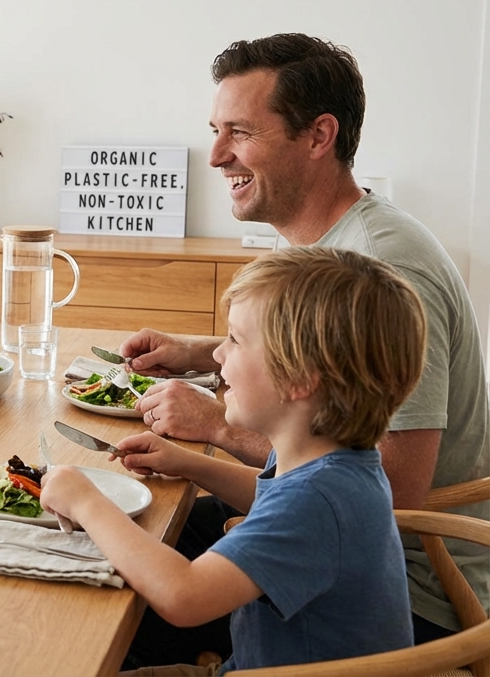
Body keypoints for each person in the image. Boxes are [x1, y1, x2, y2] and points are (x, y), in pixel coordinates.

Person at [120, 33, 490, 659]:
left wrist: (217, 425)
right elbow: (317, 353)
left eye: (240, 132)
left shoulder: (384, 262)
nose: (214, 156)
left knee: (103, 597)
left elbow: (395, 486)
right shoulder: (329, 243)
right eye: (215, 129)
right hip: (335, 538)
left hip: (406, 586)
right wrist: (200, 349)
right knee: (130, 533)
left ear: (319, 136)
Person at [43, 246, 425, 674]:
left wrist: (87, 502)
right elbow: (272, 496)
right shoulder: (333, 458)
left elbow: (184, 596)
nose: (219, 355)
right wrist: (191, 465)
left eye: (235, 340)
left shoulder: (317, 500)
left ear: (299, 379)